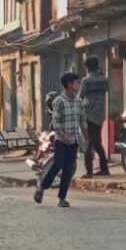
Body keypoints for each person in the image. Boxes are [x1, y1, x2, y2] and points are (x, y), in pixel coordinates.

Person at [34, 72, 88, 207]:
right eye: (76, 83)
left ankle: (62, 198)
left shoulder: (79, 102)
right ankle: (42, 187)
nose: (78, 85)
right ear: (69, 85)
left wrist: (87, 137)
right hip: (61, 141)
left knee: (68, 169)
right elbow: (56, 123)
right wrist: (64, 137)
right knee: (57, 164)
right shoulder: (59, 102)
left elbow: (83, 121)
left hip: (74, 141)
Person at [80, 58, 111, 176]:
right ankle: (104, 169)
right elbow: (106, 90)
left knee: (88, 143)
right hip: (100, 115)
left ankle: (89, 172)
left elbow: (80, 97)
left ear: (87, 67)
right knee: (97, 143)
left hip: (88, 114)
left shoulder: (86, 81)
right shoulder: (104, 80)